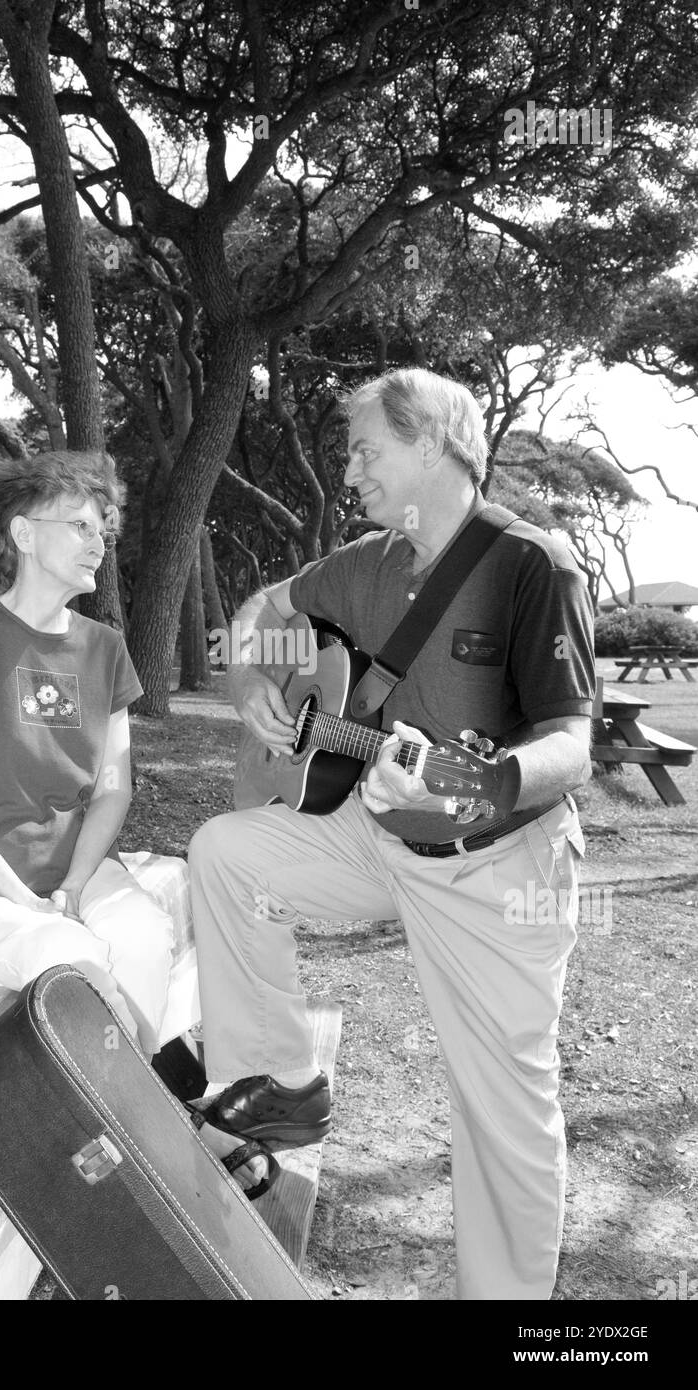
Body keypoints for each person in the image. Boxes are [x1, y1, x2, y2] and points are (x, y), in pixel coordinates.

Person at [188, 368, 597, 1296]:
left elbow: (573, 742)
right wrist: (254, 682)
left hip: (496, 864)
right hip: (377, 837)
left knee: (503, 1111)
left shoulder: (533, 566)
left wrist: (496, 782)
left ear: (433, 444)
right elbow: (264, 617)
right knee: (228, 854)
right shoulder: (364, 566)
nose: (350, 469)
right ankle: (283, 1084)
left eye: (366, 448)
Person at [0, 450, 274, 1197]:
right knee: (68, 957)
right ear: (22, 533)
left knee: (140, 940)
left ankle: (134, 1134)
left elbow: (113, 788)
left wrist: (74, 882)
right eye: (79, 525)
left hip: (75, 874)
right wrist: (23, 896)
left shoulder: (104, 648)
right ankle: (177, 1126)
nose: (98, 543)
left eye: (102, 530)